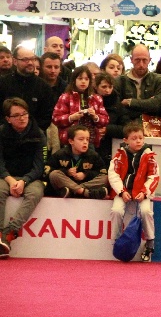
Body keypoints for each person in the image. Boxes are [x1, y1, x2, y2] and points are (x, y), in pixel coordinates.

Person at [0, 98, 46, 258]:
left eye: (25, 113)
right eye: (17, 115)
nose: (22, 117)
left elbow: (40, 165)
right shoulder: (1, 133)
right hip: (6, 177)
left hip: (31, 178)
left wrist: (24, 180)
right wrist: (10, 180)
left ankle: (9, 233)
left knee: (35, 194)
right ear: (8, 119)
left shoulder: (39, 134)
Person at [108, 122, 159, 262]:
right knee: (116, 211)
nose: (138, 141)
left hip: (142, 193)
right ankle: (116, 241)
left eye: (141, 138)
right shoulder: (119, 156)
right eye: (134, 138)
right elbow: (113, 175)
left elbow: (154, 177)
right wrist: (121, 191)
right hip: (123, 192)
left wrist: (144, 192)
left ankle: (150, 243)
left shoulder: (150, 156)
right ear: (126, 141)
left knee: (146, 211)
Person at [52, 65, 109, 149]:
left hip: (90, 141)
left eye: (86, 79)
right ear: (74, 80)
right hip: (71, 142)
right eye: (80, 78)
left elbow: (105, 120)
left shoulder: (96, 98)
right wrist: (71, 117)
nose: (83, 81)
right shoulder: (65, 97)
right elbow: (56, 119)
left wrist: (95, 116)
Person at [0, 46, 55, 131]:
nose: (30, 63)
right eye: (25, 59)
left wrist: (30, 130)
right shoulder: (3, 83)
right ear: (15, 61)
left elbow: (46, 117)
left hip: (34, 137)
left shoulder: (44, 87)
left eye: (32, 59)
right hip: (5, 136)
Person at [45, 125, 108, 199]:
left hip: (83, 184)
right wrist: (67, 172)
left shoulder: (93, 155)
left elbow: (102, 172)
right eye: (81, 139)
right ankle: (85, 192)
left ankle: (74, 191)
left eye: (87, 139)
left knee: (106, 178)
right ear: (71, 141)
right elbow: (47, 172)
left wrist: (86, 174)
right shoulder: (60, 154)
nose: (85, 142)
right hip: (67, 182)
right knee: (54, 174)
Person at [117, 44, 161, 124]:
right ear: (131, 59)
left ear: (149, 60)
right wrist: (148, 103)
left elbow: (157, 105)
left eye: (144, 60)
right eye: (137, 60)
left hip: (152, 129)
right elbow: (118, 109)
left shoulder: (159, 80)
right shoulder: (120, 81)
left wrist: (130, 102)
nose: (141, 64)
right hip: (126, 127)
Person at [95, 72, 130, 162]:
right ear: (96, 87)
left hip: (109, 148)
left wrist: (108, 129)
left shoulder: (118, 105)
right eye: (104, 87)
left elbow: (127, 128)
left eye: (110, 87)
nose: (107, 90)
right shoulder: (88, 101)